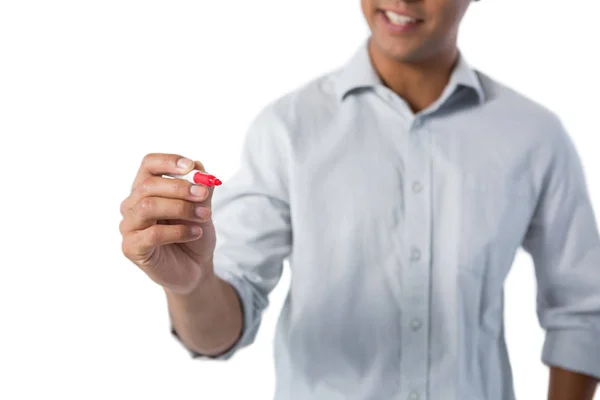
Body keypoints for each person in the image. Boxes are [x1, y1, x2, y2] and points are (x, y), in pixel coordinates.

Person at [119, 0, 600, 399]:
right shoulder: (287, 129)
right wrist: (192, 283)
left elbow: (584, 313)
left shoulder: (534, 136)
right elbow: (217, 332)